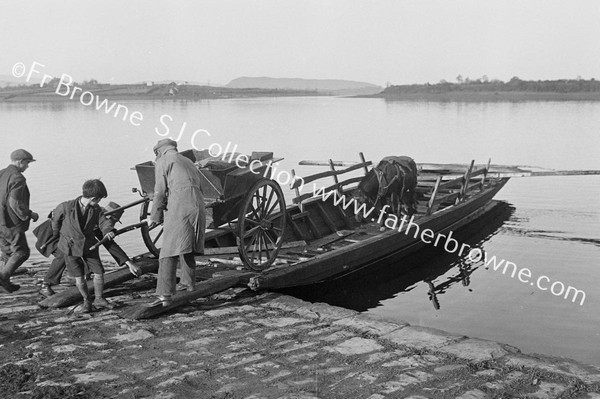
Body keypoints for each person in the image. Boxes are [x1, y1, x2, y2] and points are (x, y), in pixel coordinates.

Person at [34, 201, 142, 298]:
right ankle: (46, 284)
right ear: (107, 217)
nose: (113, 222)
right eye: (113, 219)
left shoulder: (98, 223)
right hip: (49, 236)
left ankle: (84, 278)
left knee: (81, 251)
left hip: (65, 237)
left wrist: (129, 263)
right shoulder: (90, 217)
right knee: (64, 254)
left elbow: (109, 244)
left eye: (115, 220)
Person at [146, 139, 205, 307]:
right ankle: (189, 283)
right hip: (198, 204)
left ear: (159, 152)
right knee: (187, 243)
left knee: (168, 250)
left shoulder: (163, 161)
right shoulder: (188, 161)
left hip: (180, 204)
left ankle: (164, 295)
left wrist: (154, 216)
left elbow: (160, 191)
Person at [51, 179, 116, 312]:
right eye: (98, 199)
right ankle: (87, 301)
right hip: (70, 247)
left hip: (90, 246)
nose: (99, 203)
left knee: (99, 273)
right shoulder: (65, 207)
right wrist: (60, 237)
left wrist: (108, 231)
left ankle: (99, 299)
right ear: (93, 198)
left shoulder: (96, 209)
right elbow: (55, 223)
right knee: (79, 277)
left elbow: (104, 222)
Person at [0, 149, 39, 293]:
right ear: (20, 162)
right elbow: (14, 203)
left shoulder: (1, 173)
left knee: (6, 252)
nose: (27, 166)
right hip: (10, 223)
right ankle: (3, 277)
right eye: (27, 163)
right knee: (22, 252)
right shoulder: (17, 178)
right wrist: (29, 214)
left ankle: (6, 284)